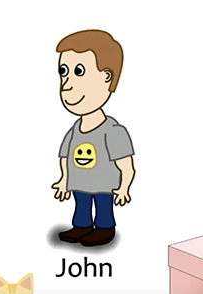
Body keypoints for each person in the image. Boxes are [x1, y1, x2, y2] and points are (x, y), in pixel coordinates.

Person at [52, 30, 136, 247]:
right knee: (80, 206)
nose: (67, 83)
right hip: (78, 183)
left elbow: (126, 164)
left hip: (104, 186)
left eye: (79, 71)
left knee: (103, 206)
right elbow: (65, 156)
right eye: (63, 71)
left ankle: (105, 228)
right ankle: (82, 227)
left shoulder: (113, 131)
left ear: (106, 77)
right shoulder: (74, 129)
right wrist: (63, 180)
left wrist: (125, 186)